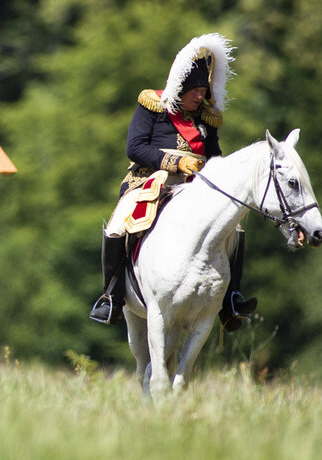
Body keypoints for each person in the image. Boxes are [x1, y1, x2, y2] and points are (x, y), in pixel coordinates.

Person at [89, 33, 257, 330]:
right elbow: (136, 148)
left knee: (236, 227)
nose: (198, 96)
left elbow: (215, 156)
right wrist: (177, 162)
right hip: (151, 180)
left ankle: (231, 298)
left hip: (196, 186)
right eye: (194, 90)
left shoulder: (207, 119)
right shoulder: (152, 105)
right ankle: (111, 295)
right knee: (118, 224)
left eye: (203, 90)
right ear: (180, 87)